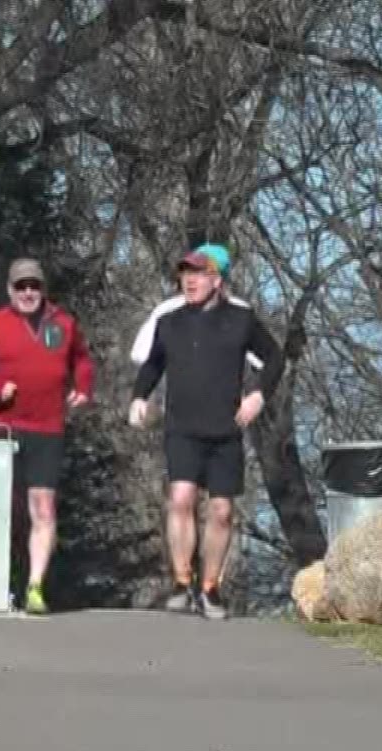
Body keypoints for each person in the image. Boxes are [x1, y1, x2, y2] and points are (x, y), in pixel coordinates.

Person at [128, 243, 285, 619]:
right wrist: (138, 396)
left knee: (221, 511)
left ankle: (210, 587)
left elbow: (275, 357)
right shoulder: (171, 322)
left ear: (216, 279)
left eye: (197, 273)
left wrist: (257, 396)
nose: (189, 280)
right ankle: (182, 581)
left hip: (225, 430)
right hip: (181, 427)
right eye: (184, 273)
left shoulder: (240, 320)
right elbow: (153, 365)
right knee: (180, 498)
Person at [0, 257, 95, 615]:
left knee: (43, 509)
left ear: (43, 289)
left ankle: (35, 587)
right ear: (10, 290)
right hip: (2, 427)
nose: (28, 292)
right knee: (3, 510)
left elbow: (82, 359)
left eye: (34, 285)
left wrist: (82, 387)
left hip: (47, 428)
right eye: (21, 286)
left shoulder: (63, 323)